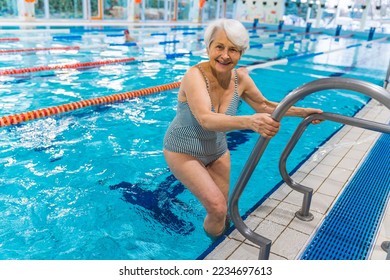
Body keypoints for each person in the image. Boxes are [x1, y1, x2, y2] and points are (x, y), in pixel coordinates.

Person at [163, 18, 322, 239]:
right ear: (208, 47)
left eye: (233, 50)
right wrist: (249, 121)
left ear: (241, 53)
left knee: (223, 211)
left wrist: (303, 112)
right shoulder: (195, 76)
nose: (225, 55)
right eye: (219, 47)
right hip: (182, 151)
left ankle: (217, 246)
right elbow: (206, 119)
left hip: (217, 151)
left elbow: (265, 106)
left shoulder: (241, 79)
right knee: (217, 208)